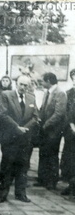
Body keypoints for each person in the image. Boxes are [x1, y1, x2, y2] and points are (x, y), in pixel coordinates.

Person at [0, 75, 40, 203]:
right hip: (10, 137)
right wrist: (17, 128)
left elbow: (36, 116)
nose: (23, 87)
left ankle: (20, 193)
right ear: (16, 84)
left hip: (25, 138)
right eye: (21, 84)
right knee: (7, 166)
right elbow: (3, 114)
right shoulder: (6, 95)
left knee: (23, 166)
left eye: (26, 85)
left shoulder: (31, 97)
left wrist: (25, 128)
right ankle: (2, 194)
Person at [35, 72, 67, 190]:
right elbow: (43, 109)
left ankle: (51, 181)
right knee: (43, 153)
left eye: (42, 81)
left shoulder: (60, 93)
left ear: (48, 81)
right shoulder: (46, 93)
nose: (41, 83)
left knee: (52, 155)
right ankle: (42, 179)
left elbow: (59, 113)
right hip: (44, 129)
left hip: (54, 130)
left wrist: (46, 124)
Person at [60, 69, 75, 197]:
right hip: (71, 132)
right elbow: (66, 113)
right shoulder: (68, 94)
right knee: (70, 159)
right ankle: (71, 185)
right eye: (74, 78)